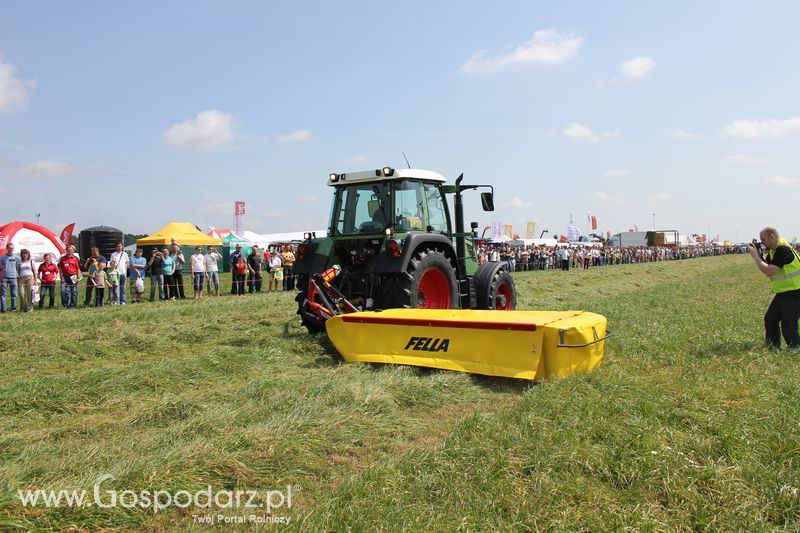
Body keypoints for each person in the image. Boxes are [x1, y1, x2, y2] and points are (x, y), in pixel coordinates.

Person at [748, 227, 800, 349]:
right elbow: (766, 266)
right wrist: (759, 255)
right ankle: (773, 346)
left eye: (763, 239)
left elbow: (769, 271)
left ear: (772, 236)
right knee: (770, 319)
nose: (762, 242)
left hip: (794, 293)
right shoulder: (774, 250)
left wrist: (756, 257)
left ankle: (795, 348)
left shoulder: (783, 250)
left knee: (788, 325)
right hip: (784, 293)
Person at [0, 243, 20, 313]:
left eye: (12, 248)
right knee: (3, 295)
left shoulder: (16, 257)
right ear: (7, 248)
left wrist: (18, 275)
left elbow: (18, 267)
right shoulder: (2, 257)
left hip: (14, 278)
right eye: (10, 248)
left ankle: (13, 309)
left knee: (14, 294)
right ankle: (3, 310)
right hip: (4, 278)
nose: (11, 249)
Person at [16, 249, 38, 313]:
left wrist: (35, 280)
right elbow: (17, 271)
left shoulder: (31, 261)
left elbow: (34, 271)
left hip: (30, 278)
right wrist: (18, 279)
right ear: (21, 255)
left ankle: (29, 309)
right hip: (21, 279)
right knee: (21, 294)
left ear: (28, 254)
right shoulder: (19, 262)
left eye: (26, 253)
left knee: (29, 294)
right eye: (23, 253)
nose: (25, 255)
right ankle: (23, 308)